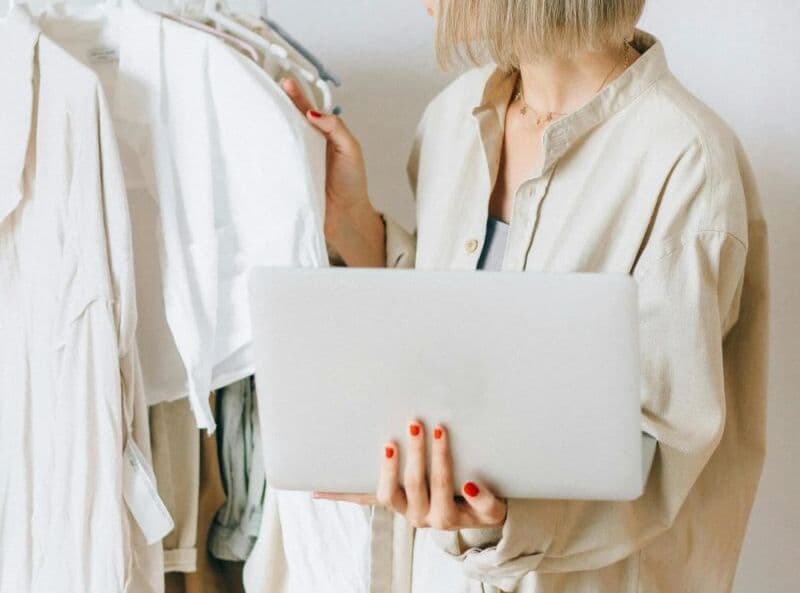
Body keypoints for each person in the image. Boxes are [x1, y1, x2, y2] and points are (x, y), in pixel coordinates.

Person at [273, 1, 770, 592]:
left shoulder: (686, 161)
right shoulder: (455, 114)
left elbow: (664, 453)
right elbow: (447, 320)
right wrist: (353, 221)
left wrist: (502, 518)